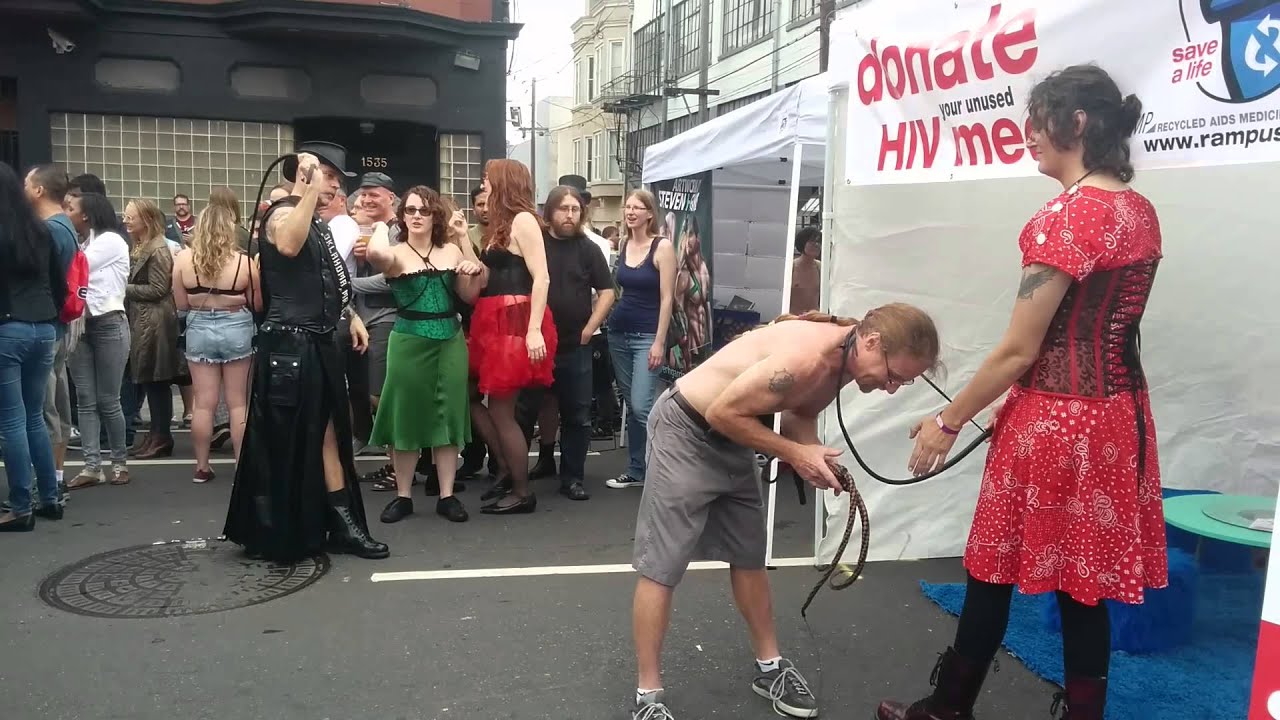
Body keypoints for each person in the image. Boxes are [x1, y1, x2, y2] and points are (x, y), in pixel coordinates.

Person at [880, 65, 1165, 720]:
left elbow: (1017, 350)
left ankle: (948, 708)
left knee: (992, 567)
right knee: (1082, 583)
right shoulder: (1137, 211)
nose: (1028, 133)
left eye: (1039, 120)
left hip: (1055, 421)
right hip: (1118, 415)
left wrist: (946, 421)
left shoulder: (1065, 219)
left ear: (1078, 124)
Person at [629, 305, 942, 720]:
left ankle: (770, 668)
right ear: (872, 342)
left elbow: (800, 410)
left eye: (902, 382)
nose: (891, 388)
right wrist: (795, 453)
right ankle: (647, 696)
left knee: (749, 556)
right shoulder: (806, 360)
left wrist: (812, 458)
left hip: (734, 435)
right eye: (892, 376)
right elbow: (722, 411)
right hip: (687, 428)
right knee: (662, 566)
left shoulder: (847, 354)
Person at [223, 141, 389, 562]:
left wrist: (348, 313)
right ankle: (294, 529)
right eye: (330, 176)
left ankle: (334, 523)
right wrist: (308, 189)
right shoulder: (283, 214)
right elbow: (289, 246)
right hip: (289, 346)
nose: (335, 186)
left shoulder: (316, 221)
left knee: (328, 434)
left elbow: (328, 278)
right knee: (292, 439)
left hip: (314, 342)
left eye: (335, 180)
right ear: (306, 172)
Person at [365, 187, 484, 524]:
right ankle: (403, 496)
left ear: (436, 216)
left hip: (450, 339)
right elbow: (375, 256)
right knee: (406, 415)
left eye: (424, 210)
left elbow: (472, 291)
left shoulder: (450, 251)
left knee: (448, 414)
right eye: (411, 210)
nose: (417, 215)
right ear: (402, 216)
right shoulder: (396, 252)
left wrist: (463, 242)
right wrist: (377, 224)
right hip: (408, 340)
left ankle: (447, 495)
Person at [468, 158, 556, 514]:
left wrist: (533, 329)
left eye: (488, 181)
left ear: (503, 183)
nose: (483, 186)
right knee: (486, 402)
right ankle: (509, 473)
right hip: (499, 318)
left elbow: (543, 277)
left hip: (515, 321)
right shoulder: (505, 222)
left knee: (502, 410)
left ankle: (521, 490)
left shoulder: (523, 220)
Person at [519, 185, 616, 501]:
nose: (570, 215)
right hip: (536, 345)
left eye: (575, 209)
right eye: (563, 208)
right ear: (549, 212)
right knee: (525, 412)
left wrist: (591, 327)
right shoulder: (537, 244)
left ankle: (572, 477)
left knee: (577, 415)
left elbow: (607, 291)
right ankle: (517, 474)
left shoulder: (588, 249)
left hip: (576, 345)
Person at [0, 161, 68, 531]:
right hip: (43, 328)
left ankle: (20, 505)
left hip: (8, 328)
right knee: (32, 417)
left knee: (11, 420)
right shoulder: (39, 232)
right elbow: (59, 285)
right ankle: (50, 497)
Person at [172, 200, 256, 483]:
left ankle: (202, 466)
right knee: (237, 404)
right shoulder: (244, 262)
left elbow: (181, 304)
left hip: (199, 327)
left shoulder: (183, 259)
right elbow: (258, 303)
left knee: (203, 404)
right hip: (237, 327)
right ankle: (242, 467)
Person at [606, 190, 675, 491]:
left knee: (641, 405)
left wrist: (659, 342)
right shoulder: (623, 244)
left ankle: (665, 467)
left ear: (650, 213)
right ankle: (637, 469)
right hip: (618, 332)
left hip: (647, 335)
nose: (631, 211)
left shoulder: (662, 247)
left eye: (638, 207)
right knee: (632, 407)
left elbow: (667, 298)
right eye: (628, 207)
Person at [64, 192, 133, 489]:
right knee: (85, 400)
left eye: (70, 209)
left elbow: (76, 267)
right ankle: (92, 466)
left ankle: (118, 462)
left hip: (108, 324)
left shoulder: (111, 241)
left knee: (108, 399)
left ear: (87, 215)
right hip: (80, 325)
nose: (66, 213)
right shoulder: (84, 242)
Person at [24, 165, 79, 507]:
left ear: (40, 190)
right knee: (54, 404)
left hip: (50, 325)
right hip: (61, 325)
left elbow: (50, 283)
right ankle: (54, 479)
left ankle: (49, 483)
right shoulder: (65, 226)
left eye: (27, 182)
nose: (23, 187)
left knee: (46, 408)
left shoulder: (50, 230)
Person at [122, 198, 185, 460]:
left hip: (155, 323)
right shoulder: (142, 246)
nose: (126, 221)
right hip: (146, 321)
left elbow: (160, 289)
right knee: (150, 381)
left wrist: (123, 287)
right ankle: (157, 434)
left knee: (157, 381)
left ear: (145, 220)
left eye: (130, 217)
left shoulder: (157, 249)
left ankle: (161, 436)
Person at [789, 227, 821, 315]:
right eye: (812, 241)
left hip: (815, 320)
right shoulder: (791, 267)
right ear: (802, 243)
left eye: (819, 242)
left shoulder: (820, 267)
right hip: (794, 319)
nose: (816, 245)